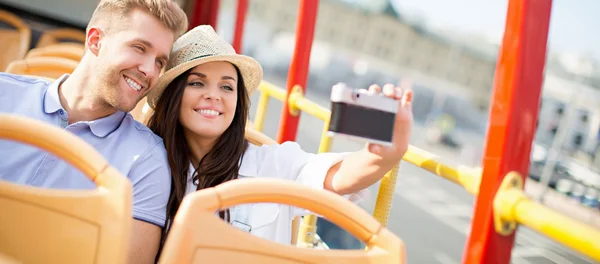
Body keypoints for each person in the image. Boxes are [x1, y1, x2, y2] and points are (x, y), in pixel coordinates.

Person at [146, 25, 413, 248]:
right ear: (173, 96)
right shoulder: (145, 160)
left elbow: (341, 177)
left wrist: (385, 149)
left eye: (227, 86)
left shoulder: (273, 165)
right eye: (197, 82)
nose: (214, 95)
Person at [0, 0, 188, 264]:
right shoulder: (5, 94)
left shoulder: (148, 159)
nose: (150, 71)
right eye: (139, 48)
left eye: (160, 61)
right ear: (96, 40)